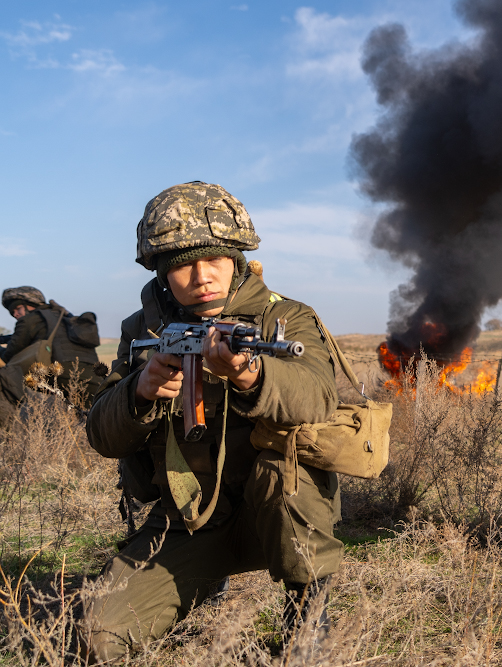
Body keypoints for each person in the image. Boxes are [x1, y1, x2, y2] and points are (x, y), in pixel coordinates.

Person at [82, 182, 343, 661]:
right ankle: (203, 580)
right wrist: (140, 392)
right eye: (182, 265)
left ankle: (309, 609)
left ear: (237, 261)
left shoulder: (282, 319)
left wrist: (251, 375)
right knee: (98, 634)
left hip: (280, 514)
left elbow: (319, 398)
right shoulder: (141, 332)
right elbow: (101, 434)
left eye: (215, 260)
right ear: (162, 275)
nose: (201, 277)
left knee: (280, 475)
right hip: (190, 514)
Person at [0, 286, 101, 426]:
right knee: (89, 422)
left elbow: (8, 355)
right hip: (94, 377)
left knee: (4, 378)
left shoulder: (29, 320)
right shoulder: (64, 318)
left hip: (60, 375)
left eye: (17, 309)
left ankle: (8, 433)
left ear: (30, 305)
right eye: (12, 312)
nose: (15, 314)